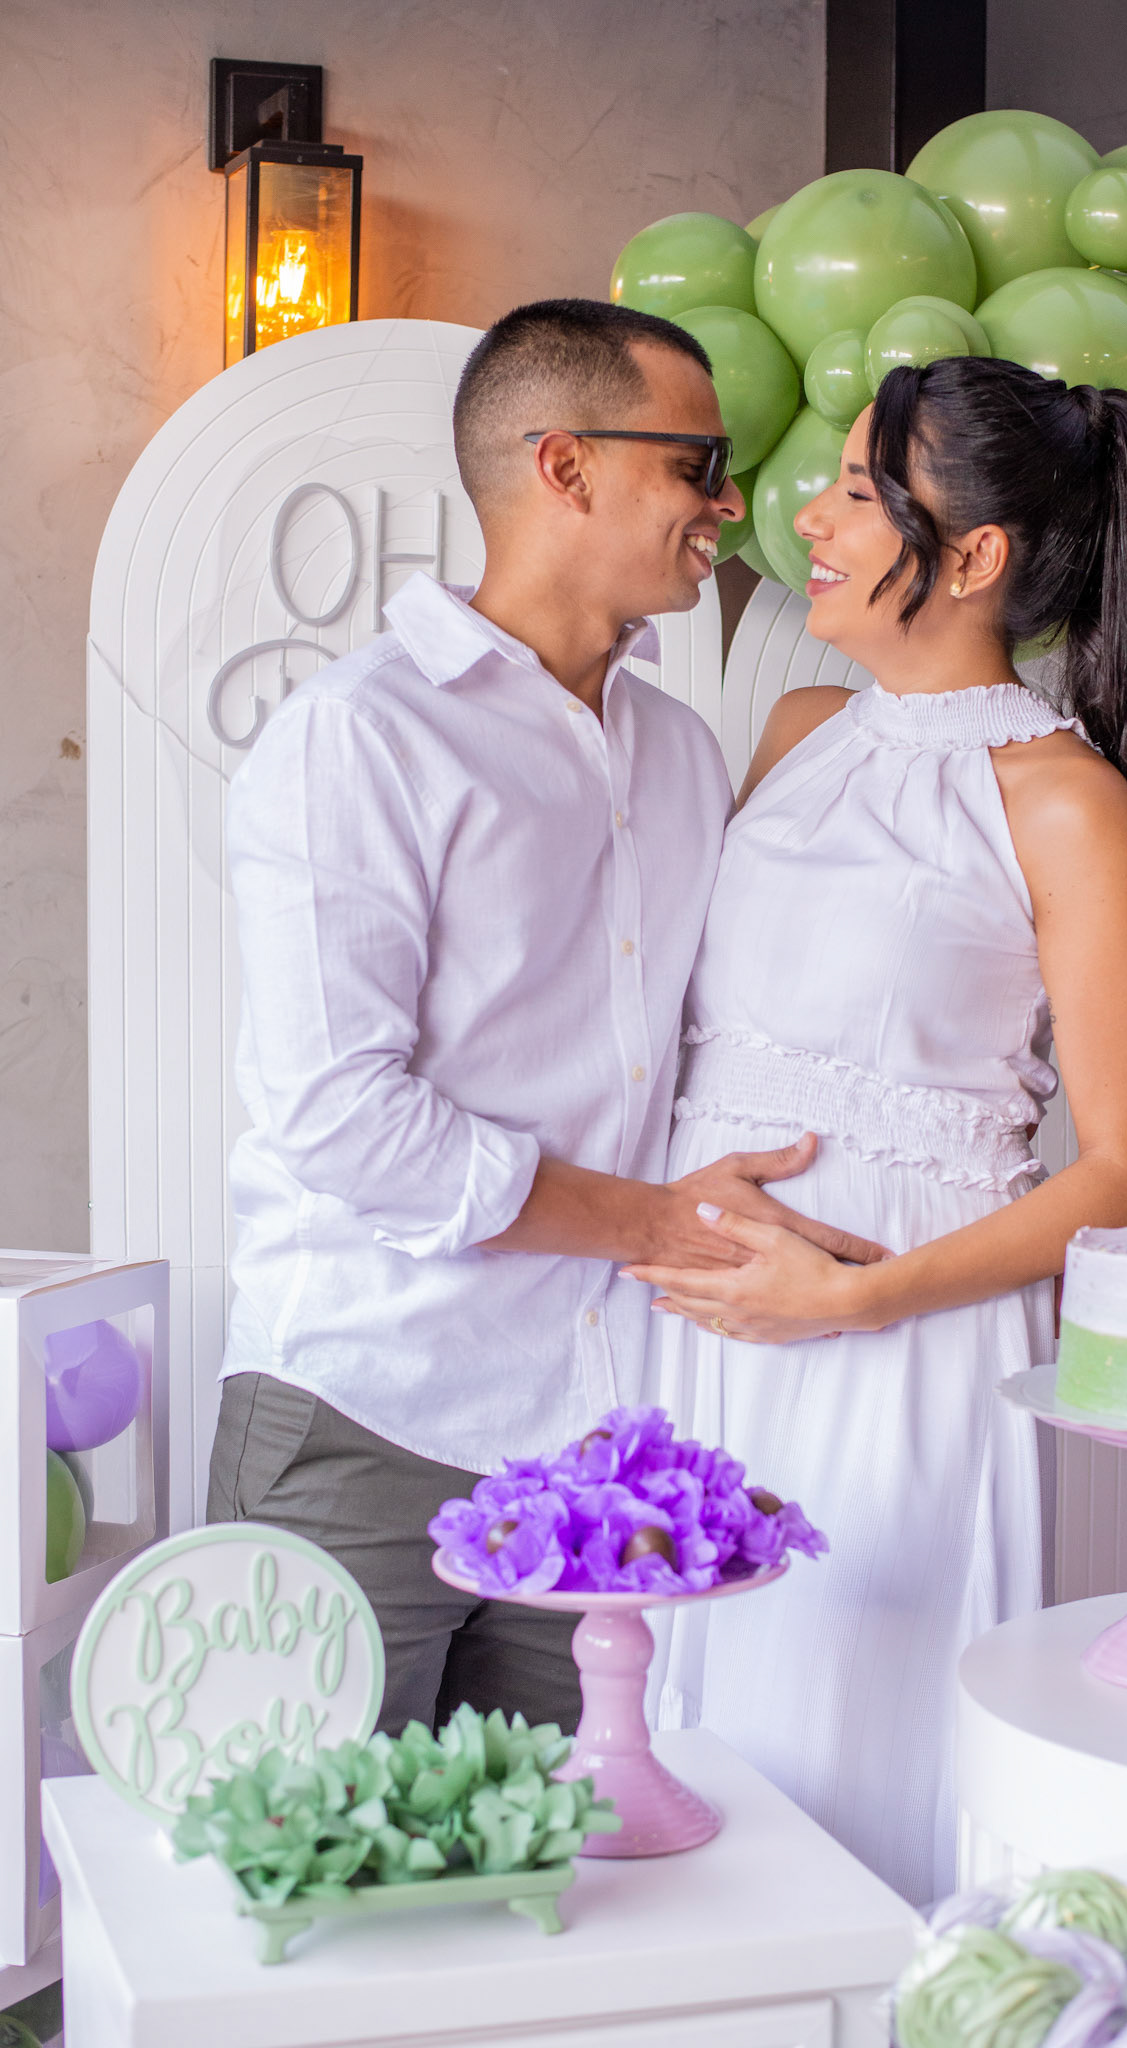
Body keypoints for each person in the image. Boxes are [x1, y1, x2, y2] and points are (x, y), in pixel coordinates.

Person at [206, 298, 881, 1739]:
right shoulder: (360, 736)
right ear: (565, 465)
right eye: (697, 465)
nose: (731, 505)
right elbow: (341, 1118)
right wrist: (657, 1225)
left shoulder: (680, 755)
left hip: (592, 1443)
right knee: (317, 1862)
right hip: (366, 1410)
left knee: (557, 1862)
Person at [630, 355, 1127, 1903]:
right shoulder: (798, 729)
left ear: (974, 555)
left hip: (898, 1345)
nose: (808, 521)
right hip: (706, 1342)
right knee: (689, 1766)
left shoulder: (1062, 801)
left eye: (857, 493)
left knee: (846, 1752)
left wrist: (855, 1298)